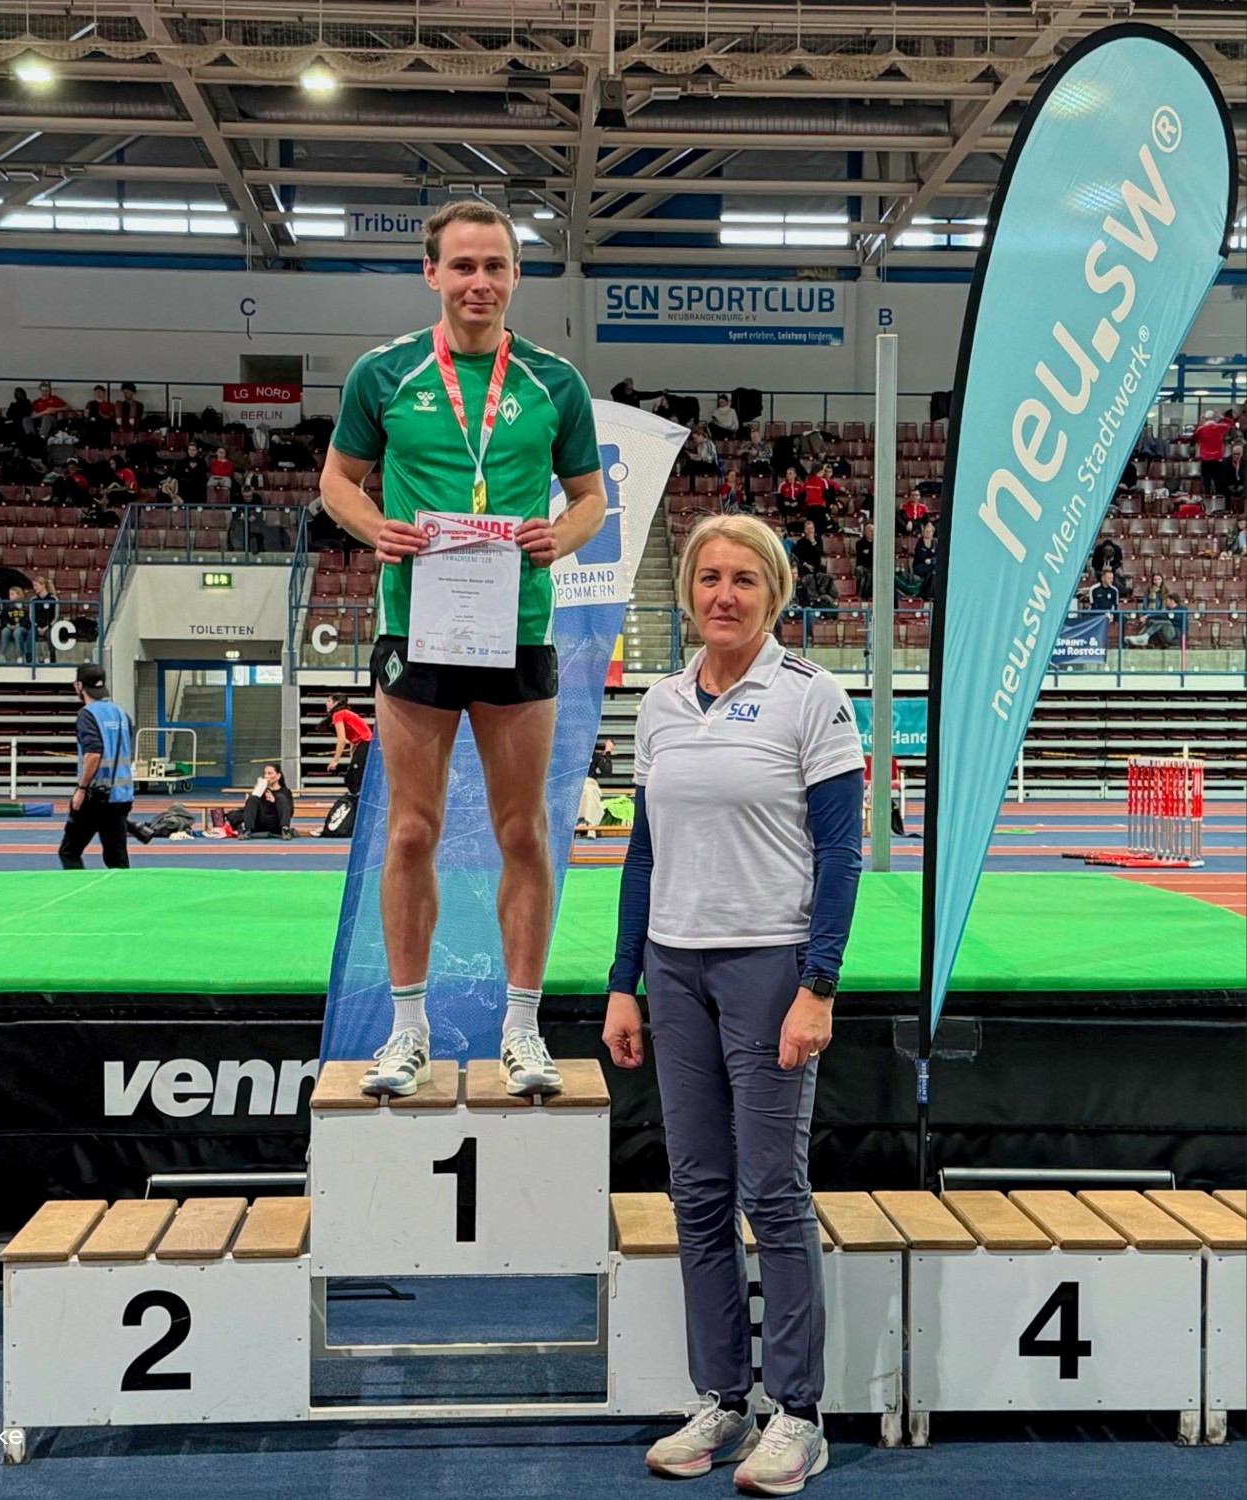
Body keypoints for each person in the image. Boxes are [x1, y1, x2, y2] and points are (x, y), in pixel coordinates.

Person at [320, 197, 604, 1099]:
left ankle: (522, 1029)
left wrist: (562, 536)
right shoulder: (383, 374)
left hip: (516, 627)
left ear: (516, 276)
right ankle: (407, 1032)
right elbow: (337, 482)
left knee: (524, 830)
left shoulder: (555, 383)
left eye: (495, 267)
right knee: (411, 830)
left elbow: (590, 498)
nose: (479, 282)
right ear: (432, 273)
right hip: (418, 626)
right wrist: (376, 528)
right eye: (463, 266)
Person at [603, 512, 862, 1493]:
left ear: (774, 595)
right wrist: (622, 982)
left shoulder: (811, 697)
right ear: (688, 592)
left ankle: (797, 1413)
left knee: (772, 1192)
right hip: (674, 971)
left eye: (744, 579)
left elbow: (841, 855)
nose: (723, 594)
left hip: (768, 970)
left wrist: (817, 986)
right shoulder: (660, 704)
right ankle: (721, 1399)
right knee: (699, 1194)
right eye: (709, 577)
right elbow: (642, 855)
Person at [58, 663, 134, 869]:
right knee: (117, 860)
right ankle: (122, 890)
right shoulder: (121, 714)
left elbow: (93, 753)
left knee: (69, 852)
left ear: (79, 686)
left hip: (96, 795)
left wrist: (81, 789)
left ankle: (79, 888)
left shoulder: (87, 714)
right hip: (121, 796)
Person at [209, 762, 297, 840]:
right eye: (265, 773)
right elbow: (250, 807)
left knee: (281, 797)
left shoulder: (285, 791)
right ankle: (247, 830)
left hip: (275, 822)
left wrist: (275, 801)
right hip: (260, 821)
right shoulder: (263, 790)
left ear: (278, 776)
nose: (266, 776)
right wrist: (258, 791)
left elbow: (290, 812)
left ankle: (285, 830)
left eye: (270, 773)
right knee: (253, 798)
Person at [324, 693, 373, 795]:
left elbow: (341, 739)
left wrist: (335, 761)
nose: (326, 703)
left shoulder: (338, 714)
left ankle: (358, 801)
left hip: (366, 743)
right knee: (352, 778)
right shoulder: (345, 714)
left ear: (336, 703)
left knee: (353, 779)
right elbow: (353, 739)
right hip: (364, 744)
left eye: (329, 701)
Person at [577, 737, 614, 838]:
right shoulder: (571, 757)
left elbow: (607, 772)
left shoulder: (594, 755)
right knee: (583, 791)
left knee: (589, 791)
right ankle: (587, 825)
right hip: (576, 783)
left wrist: (607, 752)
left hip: (590, 782)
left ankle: (589, 825)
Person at [1193, 410, 1233, 498]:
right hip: (1217, 459)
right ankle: (1219, 502)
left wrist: (1201, 422)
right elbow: (1230, 423)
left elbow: (1195, 436)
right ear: (1214, 418)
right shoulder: (1220, 427)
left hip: (1206, 460)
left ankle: (1207, 501)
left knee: (1206, 484)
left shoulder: (1201, 429)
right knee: (1219, 483)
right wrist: (1221, 417)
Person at [0, 586, 34, 663]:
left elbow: (28, 619)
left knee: (17, 632)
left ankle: (20, 655)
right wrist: (7, 625)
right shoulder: (7, 606)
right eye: (9, 594)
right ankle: (2, 654)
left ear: (19, 595)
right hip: (10, 626)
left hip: (22, 627)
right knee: (5, 631)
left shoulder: (26, 606)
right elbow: (3, 618)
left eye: (12, 594)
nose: (10, 596)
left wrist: (19, 625)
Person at [853, 520, 875, 600]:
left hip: (873, 566)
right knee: (860, 570)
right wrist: (870, 554)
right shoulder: (860, 543)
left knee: (871, 572)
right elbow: (862, 557)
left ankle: (867, 595)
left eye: (873, 531)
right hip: (863, 565)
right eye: (870, 531)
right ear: (865, 532)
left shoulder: (877, 543)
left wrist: (868, 553)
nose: (872, 533)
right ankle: (861, 594)